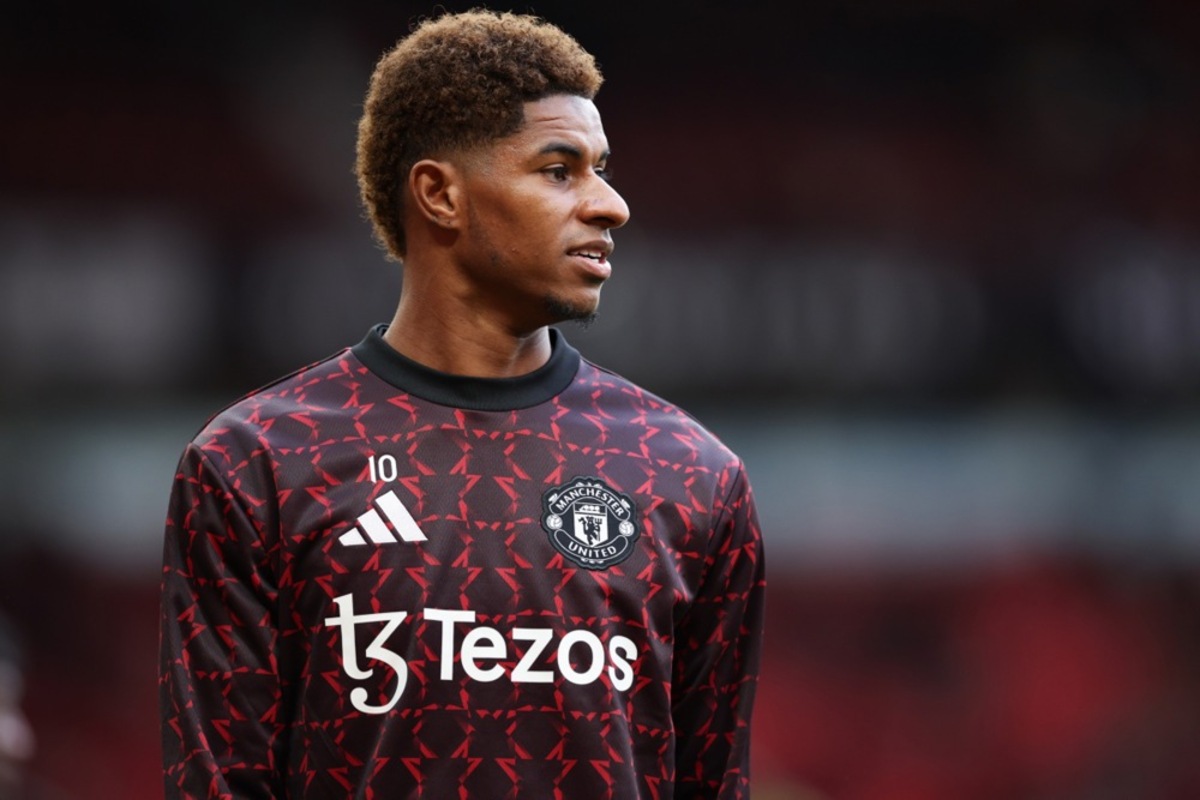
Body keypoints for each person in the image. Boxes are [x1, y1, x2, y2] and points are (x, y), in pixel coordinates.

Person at [160, 9, 765, 798]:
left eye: (602, 168)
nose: (609, 204)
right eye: (560, 169)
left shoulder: (691, 475)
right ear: (440, 194)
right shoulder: (257, 465)